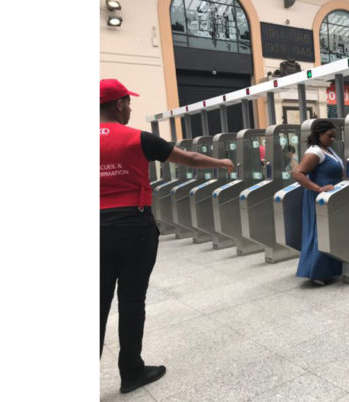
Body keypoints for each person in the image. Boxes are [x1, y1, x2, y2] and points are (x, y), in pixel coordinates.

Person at [100, 79, 234, 394]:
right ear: (120, 104)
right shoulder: (140, 138)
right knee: (132, 300)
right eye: (128, 102)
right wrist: (221, 162)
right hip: (134, 226)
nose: (130, 108)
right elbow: (191, 159)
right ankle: (131, 371)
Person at [292, 120, 344, 285]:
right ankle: (315, 271)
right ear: (319, 134)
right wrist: (318, 189)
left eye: (334, 136)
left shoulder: (327, 150)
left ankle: (329, 269)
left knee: (327, 231)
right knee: (318, 232)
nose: (332, 139)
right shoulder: (315, 152)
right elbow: (298, 173)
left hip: (329, 197)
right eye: (329, 136)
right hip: (318, 198)